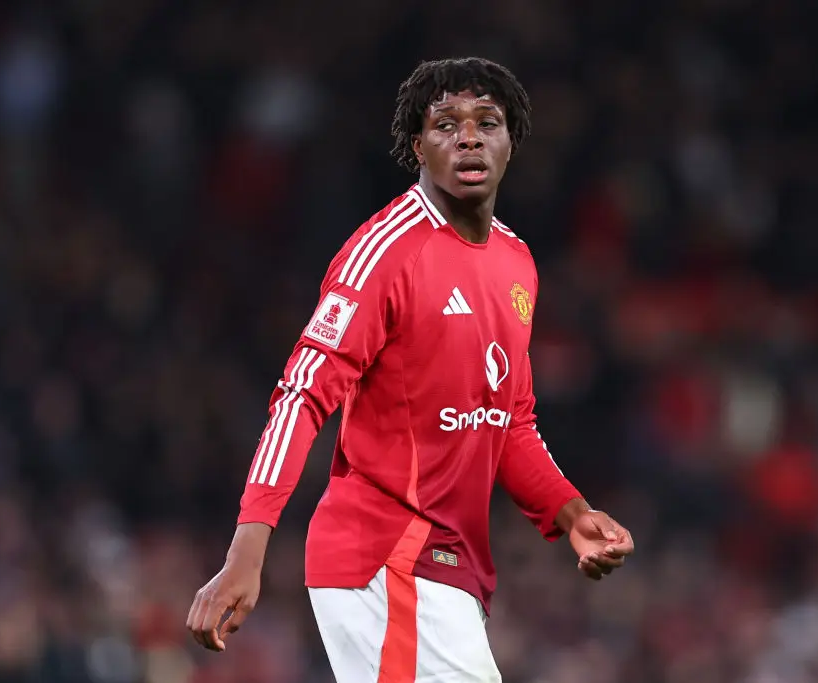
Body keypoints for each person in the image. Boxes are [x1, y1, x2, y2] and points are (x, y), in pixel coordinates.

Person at [186, 57, 635, 681]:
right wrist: (247, 547)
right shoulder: (386, 252)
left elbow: (509, 422)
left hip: (447, 572)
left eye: (488, 121)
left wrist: (571, 513)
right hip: (386, 557)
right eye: (446, 124)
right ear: (418, 146)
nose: (469, 136)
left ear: (512, 143)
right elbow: (301, 396)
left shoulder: (516, 263)